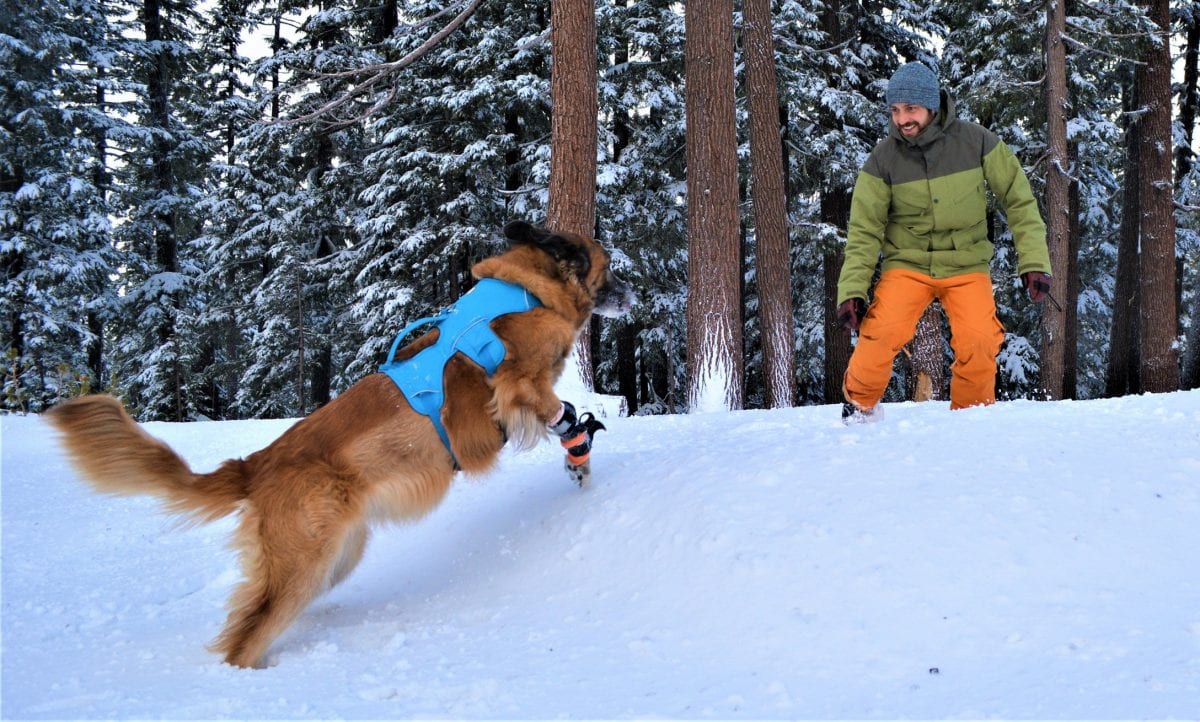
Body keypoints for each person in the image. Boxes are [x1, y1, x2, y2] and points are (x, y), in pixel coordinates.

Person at [836, 61, 1052, 423]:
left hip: (966, 264)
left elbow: (1019, 200)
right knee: (881, 332)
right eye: (895, 110)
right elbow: (864, 230)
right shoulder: (882, 160)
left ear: (932, 106)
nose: (902, 119)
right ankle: (858, 409)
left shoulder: (977, 141)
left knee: (980, 340)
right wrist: (851, 289)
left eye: (910, 109)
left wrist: (1033, 262)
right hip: (908, 265)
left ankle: (970, 423)